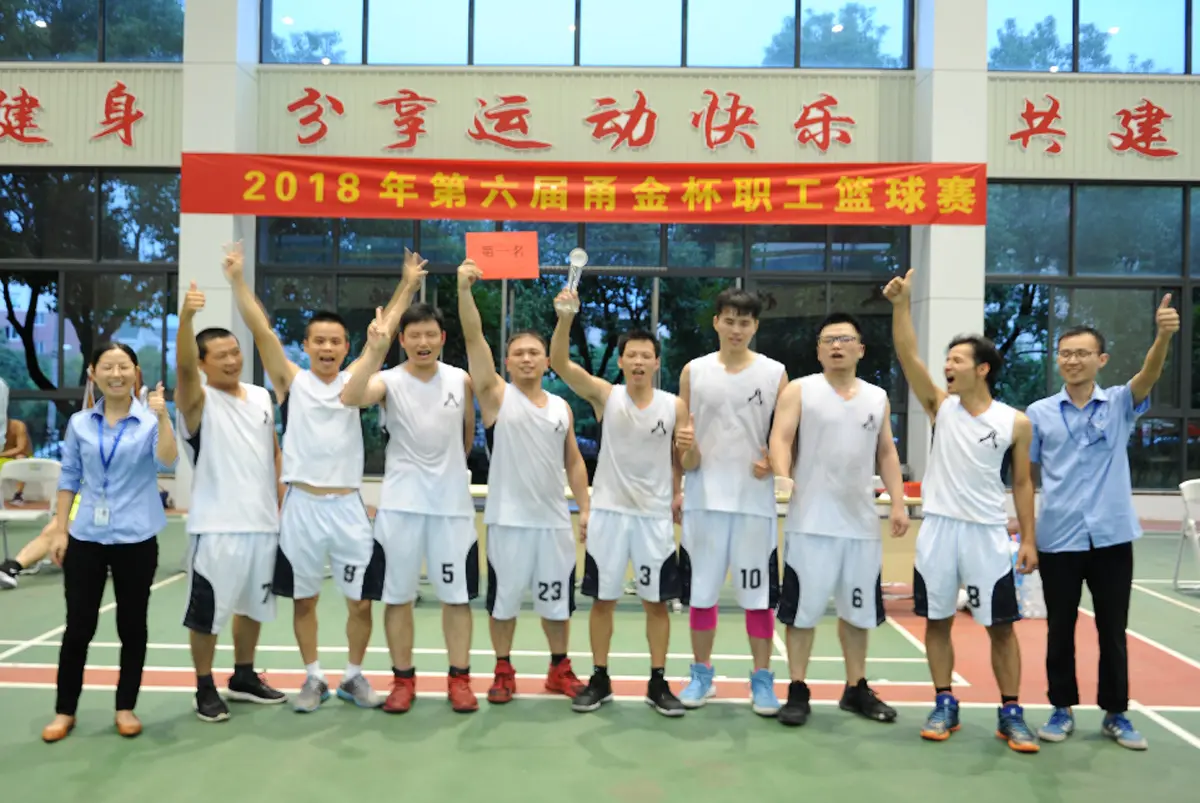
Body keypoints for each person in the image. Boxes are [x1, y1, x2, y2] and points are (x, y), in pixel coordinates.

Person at [223, 242, 422, 713]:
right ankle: (313, 677)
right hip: (302, 508)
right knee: (305, 600)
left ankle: (353, 676)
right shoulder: (291, 381)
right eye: (319, 341)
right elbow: (260, 329)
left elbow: (383, 334)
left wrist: (407, 285)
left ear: (346, 347)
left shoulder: (358, 382)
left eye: (336, 341)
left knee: (360, 602)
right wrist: (236, 280)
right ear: (307, 345)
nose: (328, 348)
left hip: (349, 507)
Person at [883, 269, 1040, 753]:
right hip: (938, 531)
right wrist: (901, 306)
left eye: (956, 360)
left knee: (1000, 628)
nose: (947, 366)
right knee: (936, 621)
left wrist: (1028, 539)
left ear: (982, 369)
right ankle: (944, 701)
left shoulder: (1015, 422)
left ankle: (1010, 711)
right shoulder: (940, 407)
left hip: (987, 534)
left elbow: (1022, 483)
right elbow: (908, 355)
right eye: (946, 360)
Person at [1026, 297, 1179, 752]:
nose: (1072, 360)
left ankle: (1116, 713)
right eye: (1065, 353)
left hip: (1111, 536)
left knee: (1113, 630)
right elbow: (1026, 477)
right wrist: (1028, 536)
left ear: (1101, 359)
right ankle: (1061, 707)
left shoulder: (1119, 404)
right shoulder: (1039, 413)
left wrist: (1163, 335)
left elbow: (1149, 373)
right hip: (1058, 537)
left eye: (1082, 353)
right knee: (1059, 629)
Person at [457, 259, 590, 703]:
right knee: (504, 602)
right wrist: (465, 292)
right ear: (507, 363)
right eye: (519, 353)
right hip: (507, 522)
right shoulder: (496, 397)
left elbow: (574, 462)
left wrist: (585, 508)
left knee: (557, 602)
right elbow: (473, 337)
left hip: (553, 522)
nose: (528, 358)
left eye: (535, 352)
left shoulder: (561, 408)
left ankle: (559, 670)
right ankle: (503, 671)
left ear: (547, 362)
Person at [549, 288, 686, 717]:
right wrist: (566, 318)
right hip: (609, 515)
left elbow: (683, 460)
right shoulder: (606, 396)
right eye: (632, 355)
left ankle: (658, 682)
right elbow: (559, 363)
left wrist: (680, 486)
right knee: (602, 601)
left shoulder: (675, 406)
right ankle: (600, 678)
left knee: (656, 603)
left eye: (647, 355)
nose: (639, 361)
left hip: (654, 518)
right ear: (622, 361)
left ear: (657, 362)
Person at [768, 312, 909, 727]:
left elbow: (886, 452)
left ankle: (856, 688)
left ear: (860, 349)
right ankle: (798, 689)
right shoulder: (800, 390)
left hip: (860, 525)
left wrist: (898, 502)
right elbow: (781, 437)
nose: (836, 346)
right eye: (828, 340)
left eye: (845, 339)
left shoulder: (876, 397)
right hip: (810, 523)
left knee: (858, 613)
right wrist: (782, 475)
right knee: (802, 613)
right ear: (818, 351)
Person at [340, 301, 479, 714]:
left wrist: (447, 476)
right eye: (414, 335)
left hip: (451, 508)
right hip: (400, 507)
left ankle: (460, 680)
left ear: (442, 338)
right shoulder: (387, 380)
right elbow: (350, 396)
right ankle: (403, 680)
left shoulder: (460, 379)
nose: (423, 342)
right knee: (398, 598)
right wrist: (374, 348)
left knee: (457, 598)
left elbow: (466, 436)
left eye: (430, 334)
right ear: (402, 340)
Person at [40, 343, 177, 743]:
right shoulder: (80, 423)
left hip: (137, 537)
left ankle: (125, 707)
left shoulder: (150, 420)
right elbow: (69, 476)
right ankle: (65, 711)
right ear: (93, 373)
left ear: (136, 372)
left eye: (123, 367)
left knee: (132, 626)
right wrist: (60, 529)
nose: (116, 374)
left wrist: (163, 416)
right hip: (87, 536)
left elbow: (167, 461)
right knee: (78, 627)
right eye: (107, 367)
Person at [175, 279, 287, 722]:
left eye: (235, 352)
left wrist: (281, 504)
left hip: (263, 524)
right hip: (216, 528)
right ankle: (204, 686)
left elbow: (273, 453)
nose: (231, 360)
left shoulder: (260, 396)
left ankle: (243, 675)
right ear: (203, 363)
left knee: (253, 605)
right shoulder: (196, 402)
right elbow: (183, 369)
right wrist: (187, 319)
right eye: (220, 356)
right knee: (207, 614)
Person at [676, 288, 787, 715]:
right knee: (701, 595)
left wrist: (773, 461)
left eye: (744, 322)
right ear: (716, 322)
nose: (736, 329)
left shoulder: (774, 373)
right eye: (729, 320)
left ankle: (762, 679)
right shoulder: (694, 371)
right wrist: (684, 466)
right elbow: (684, 446)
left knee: (758, 599)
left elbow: (787, 434)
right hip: (703, 499)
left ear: (755, 326)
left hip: (753, 503)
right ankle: (701, 675)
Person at [0, 417, 32, 503]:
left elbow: (21, 448)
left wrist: (1, 454)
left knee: (21, 459)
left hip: (20, 456)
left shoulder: (19, 426)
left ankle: (18, 495)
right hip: (2, 458)